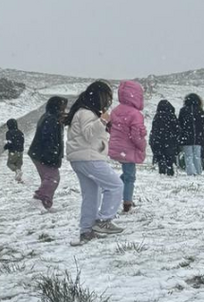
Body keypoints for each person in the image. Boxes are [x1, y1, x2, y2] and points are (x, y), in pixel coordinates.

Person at [66, 81, 123, 242]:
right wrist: (103, 121)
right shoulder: (86, 113)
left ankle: (86, 230)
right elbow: (89, 134)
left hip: (80, 159)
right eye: (108, 97)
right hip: (89, 158)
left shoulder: (82, 111)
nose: (108, 101)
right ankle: (104, 221)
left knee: (91, 195)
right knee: (115, 185)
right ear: (100, 96)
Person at [108, 80, 146, 212]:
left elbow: (111, 128)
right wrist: (142, 145)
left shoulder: (115, 110)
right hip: (129, 148)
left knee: (126, 173)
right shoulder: (136, 114)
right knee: (130, 176)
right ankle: (127, 202)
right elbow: (137, 135)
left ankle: (114, 190)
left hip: (118, 147)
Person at [28, 96, 67, 211]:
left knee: (48, 178)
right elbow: (49, 140)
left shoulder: (51, 117)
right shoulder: (51, 119)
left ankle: (46, 203)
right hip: (43, 155)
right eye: (62, 107)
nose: (64, 110)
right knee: (52, 178)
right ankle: (38, 199)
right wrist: (52, 156)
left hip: (40, 154)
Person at [178, 93, 204, 176]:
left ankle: (191, 172)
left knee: (188, 155)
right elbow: (203, 125)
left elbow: (180, 124)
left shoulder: (183, 110)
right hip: (198, 137)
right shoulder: (200, 110)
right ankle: (198, 171)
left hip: (186, 137)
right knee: (197, 155)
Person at [150, 100, 180, 176]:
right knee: (169, 156)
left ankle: (162, 170)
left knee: (160, 156)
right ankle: (170, 170)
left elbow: (154, 129)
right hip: (170, 140)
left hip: (159, 139)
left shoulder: (157, 116)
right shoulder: (172, 116)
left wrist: (153, 139)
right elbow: (177, 129)